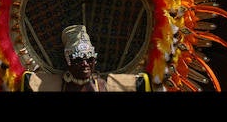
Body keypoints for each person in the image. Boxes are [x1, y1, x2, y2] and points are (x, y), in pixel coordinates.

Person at [21, 24, 150, 92]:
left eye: (89, 58)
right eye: (78, 59)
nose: (85, 64)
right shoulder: (53, 85)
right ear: (68, 60)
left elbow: (138, 84)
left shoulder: (106, 86)